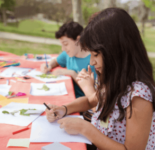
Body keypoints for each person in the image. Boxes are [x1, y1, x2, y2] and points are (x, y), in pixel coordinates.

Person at [46, 8, 155, 150]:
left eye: (96, 55)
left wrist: (86, 129)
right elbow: (91, 100)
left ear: (117, 51)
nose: (91, 62)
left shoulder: (138, 96)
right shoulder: (113, 79)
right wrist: (64, 109)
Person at [40, 21, 96, 99]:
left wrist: (72, 73)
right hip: (69, 95)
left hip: (84, 103)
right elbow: (56, 61)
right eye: (62, 45)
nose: (63, 48)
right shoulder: (69, 54)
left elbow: (93, 93)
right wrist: (49, 65)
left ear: (78, 39)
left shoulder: (93, 61)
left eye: (65, 44)